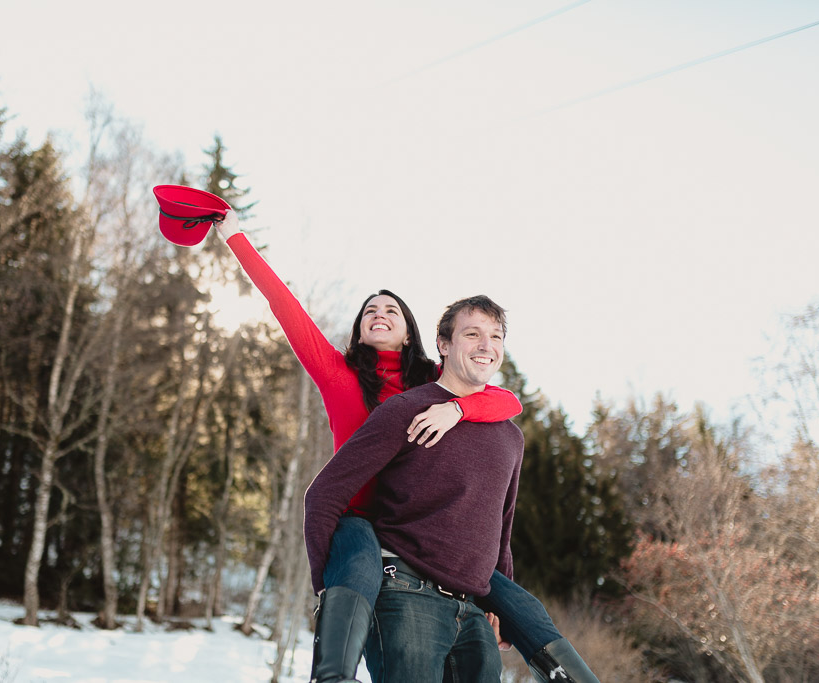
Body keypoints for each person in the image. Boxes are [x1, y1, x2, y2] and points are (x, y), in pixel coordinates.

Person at [213, 211, 597, 683]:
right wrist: (233, 233)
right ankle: (332, 673)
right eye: (369, 311)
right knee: (355, 565)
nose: (380, 314)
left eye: (391, 310)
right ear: (356, 332)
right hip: (365, 521)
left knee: (519, 602)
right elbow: (284, 305)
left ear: (415, 334)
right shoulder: (340, 377)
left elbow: (500, 399)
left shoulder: (431, 384)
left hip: (431, 529)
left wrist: (457, 410)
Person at [306, 295, 520, 681]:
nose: (486, 345)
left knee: (532, 617)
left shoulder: (500, 430)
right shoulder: (380, 393)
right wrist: (325, 585)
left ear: (410, 334)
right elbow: (323, 494)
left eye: (495, 336)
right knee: (353, 566)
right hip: (391, 562)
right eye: (472, 333)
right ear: (443, 343)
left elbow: (500, 523)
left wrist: (498, 601)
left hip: (470, 603)